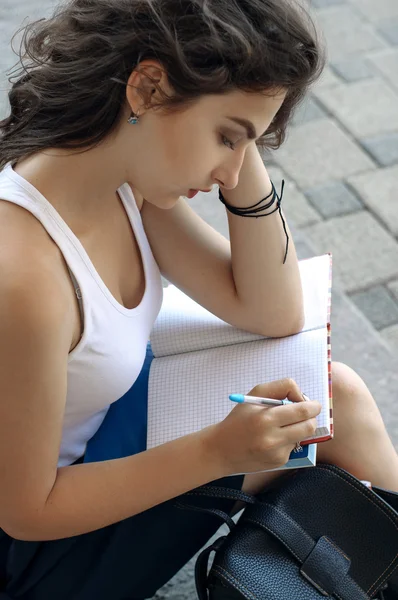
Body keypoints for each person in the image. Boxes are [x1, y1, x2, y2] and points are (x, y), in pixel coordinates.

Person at [0, 0, 397, 598]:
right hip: (37, 553)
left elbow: (271, 310)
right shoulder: (24, 278)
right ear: (149, 87)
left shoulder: (118, 183)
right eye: (226, 137)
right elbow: (27, 511)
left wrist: (245, 120)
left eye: (251, 145)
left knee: (332, 393)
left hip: (98, 435)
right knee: (317, 415)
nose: (232, 173)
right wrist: (216, 451)